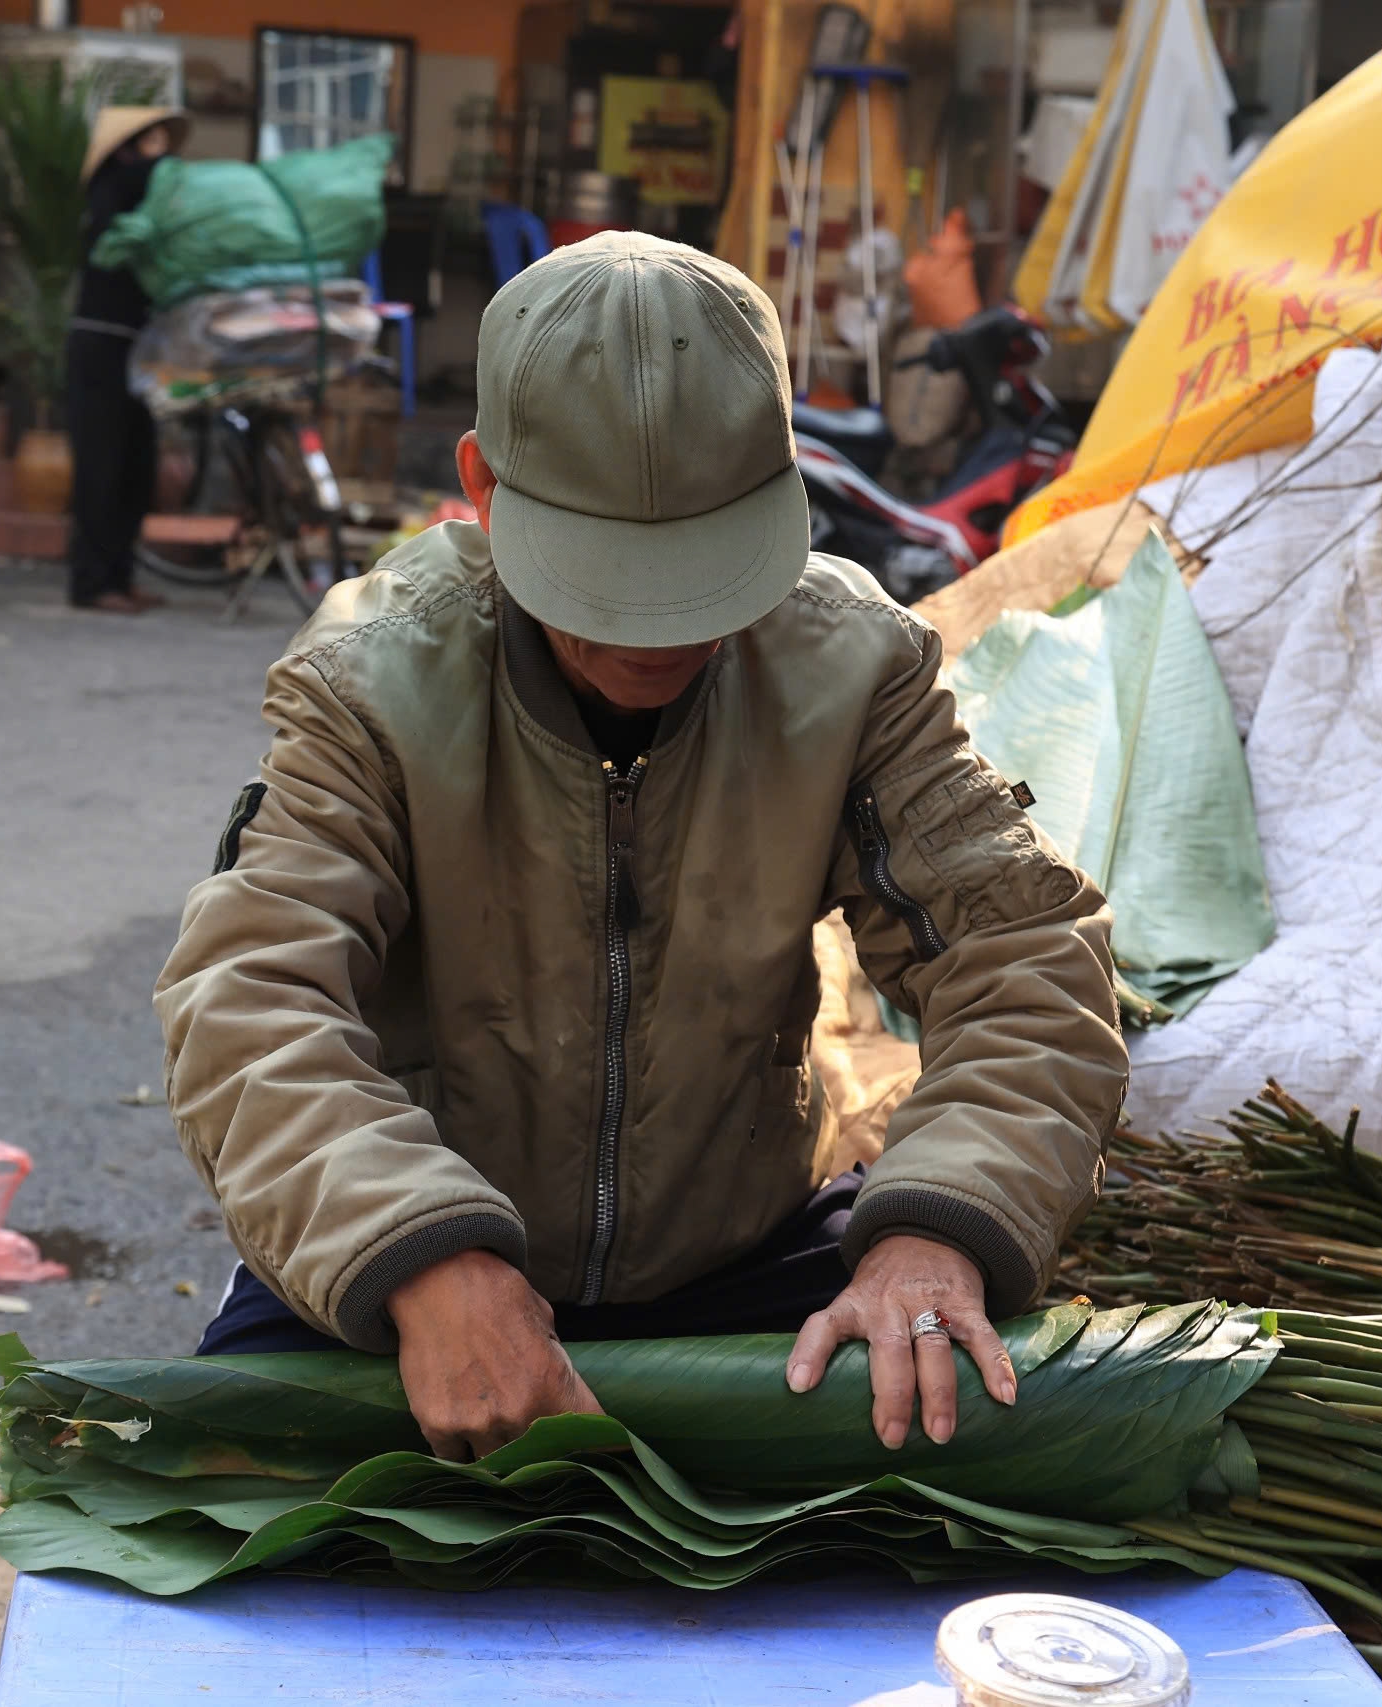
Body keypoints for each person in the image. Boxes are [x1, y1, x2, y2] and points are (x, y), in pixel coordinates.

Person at [156, 232, 1128, 1462]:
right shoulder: (372, 685)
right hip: (416, 1264)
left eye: (706, 563)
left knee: (958, 1461)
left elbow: (1025, 958)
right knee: (236, 1521)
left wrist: (939, 1227)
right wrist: (425, 1253)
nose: (660, 632)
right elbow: (250, 1001)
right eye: (609, 574)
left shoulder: (851, 668)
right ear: (486, 486)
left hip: (742, 1256)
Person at [65, 106, 189, 615]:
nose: (161, 152)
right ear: (124, 149)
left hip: (138, 348)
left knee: (135, 469)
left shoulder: (145, 194)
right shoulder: (112, 190)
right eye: (150, 142)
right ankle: (93, 584)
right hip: (100, 347)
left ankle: (121, 574)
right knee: (102, 467)